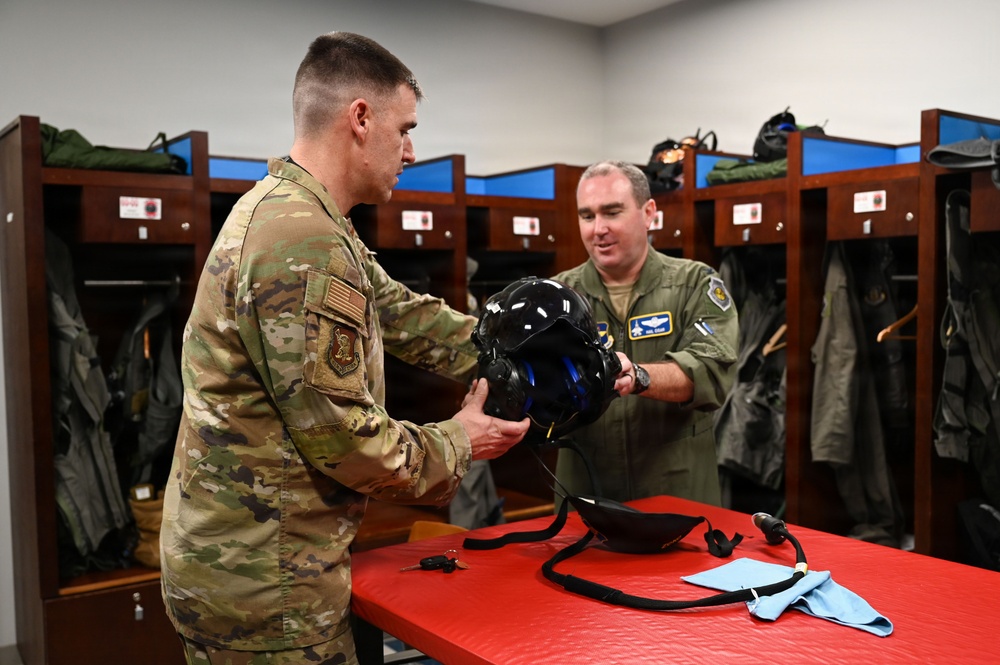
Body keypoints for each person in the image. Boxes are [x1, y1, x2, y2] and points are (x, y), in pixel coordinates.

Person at [159, 32, 529, 665]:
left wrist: (516, 346)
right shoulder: (303, 241)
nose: (411, 151)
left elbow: (398, 314)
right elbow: (350, 444)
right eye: (405, 129)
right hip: (268, 589)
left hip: (251, 565)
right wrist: (462, 439)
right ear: (360, 118)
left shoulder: (303, 216)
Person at [552, 160, 738, 506]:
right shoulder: (559, 296)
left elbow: (713, 371)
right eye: (587, 216)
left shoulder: (696, 284)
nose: (598, 229)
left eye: (612, 212)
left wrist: (639, 375)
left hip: (676, 498)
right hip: (587, 499)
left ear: (648, 212)